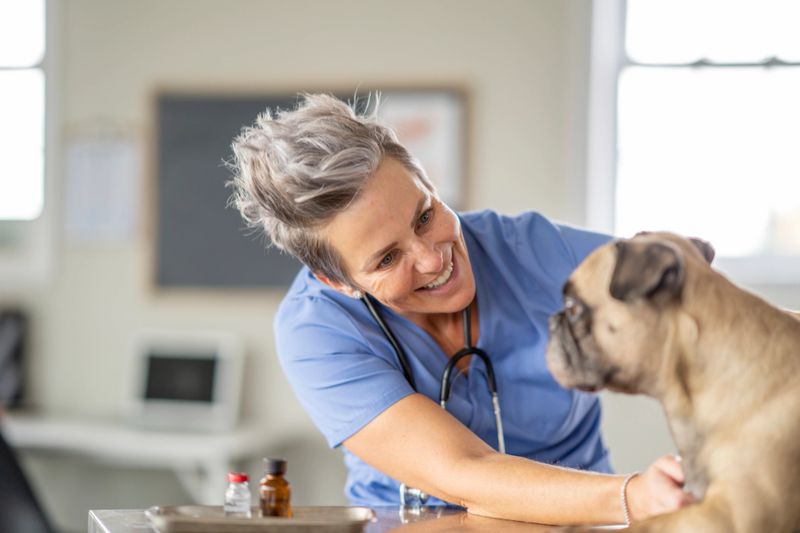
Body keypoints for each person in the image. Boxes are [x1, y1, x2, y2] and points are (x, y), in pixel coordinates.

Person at [228, 93, 690, 526]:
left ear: (428, 182)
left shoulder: (531, 251)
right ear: (338, 281)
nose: (433, 258)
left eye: (425, 215)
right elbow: (463, 470)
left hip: (579, 525)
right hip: (414, 527)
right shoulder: (317, 329)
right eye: (388, 258)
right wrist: (635, 496)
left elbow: (691, 294)